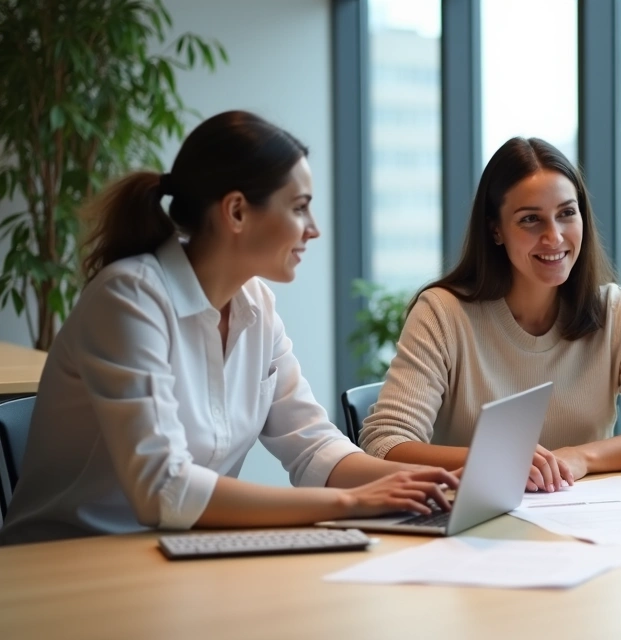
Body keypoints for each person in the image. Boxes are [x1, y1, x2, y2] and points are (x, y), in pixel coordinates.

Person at [0, 111, 457, 546]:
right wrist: (351, 503)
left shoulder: (256, 304)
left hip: (176, 556)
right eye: (299, 208)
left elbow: (314, 446)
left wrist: (436, 483)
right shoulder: (129, 298)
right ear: (236, 212)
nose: (312, 229)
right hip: (70, 563)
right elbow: (164, 489)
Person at [359, 137, 621, 493]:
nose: (554, 237)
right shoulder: (443, 313)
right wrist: (500, 461)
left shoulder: (613, 310)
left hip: (585, 525)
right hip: (475, 528)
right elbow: (384, 443)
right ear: (496, 230)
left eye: (567, 213)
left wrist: (579, 458)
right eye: (530, 220)